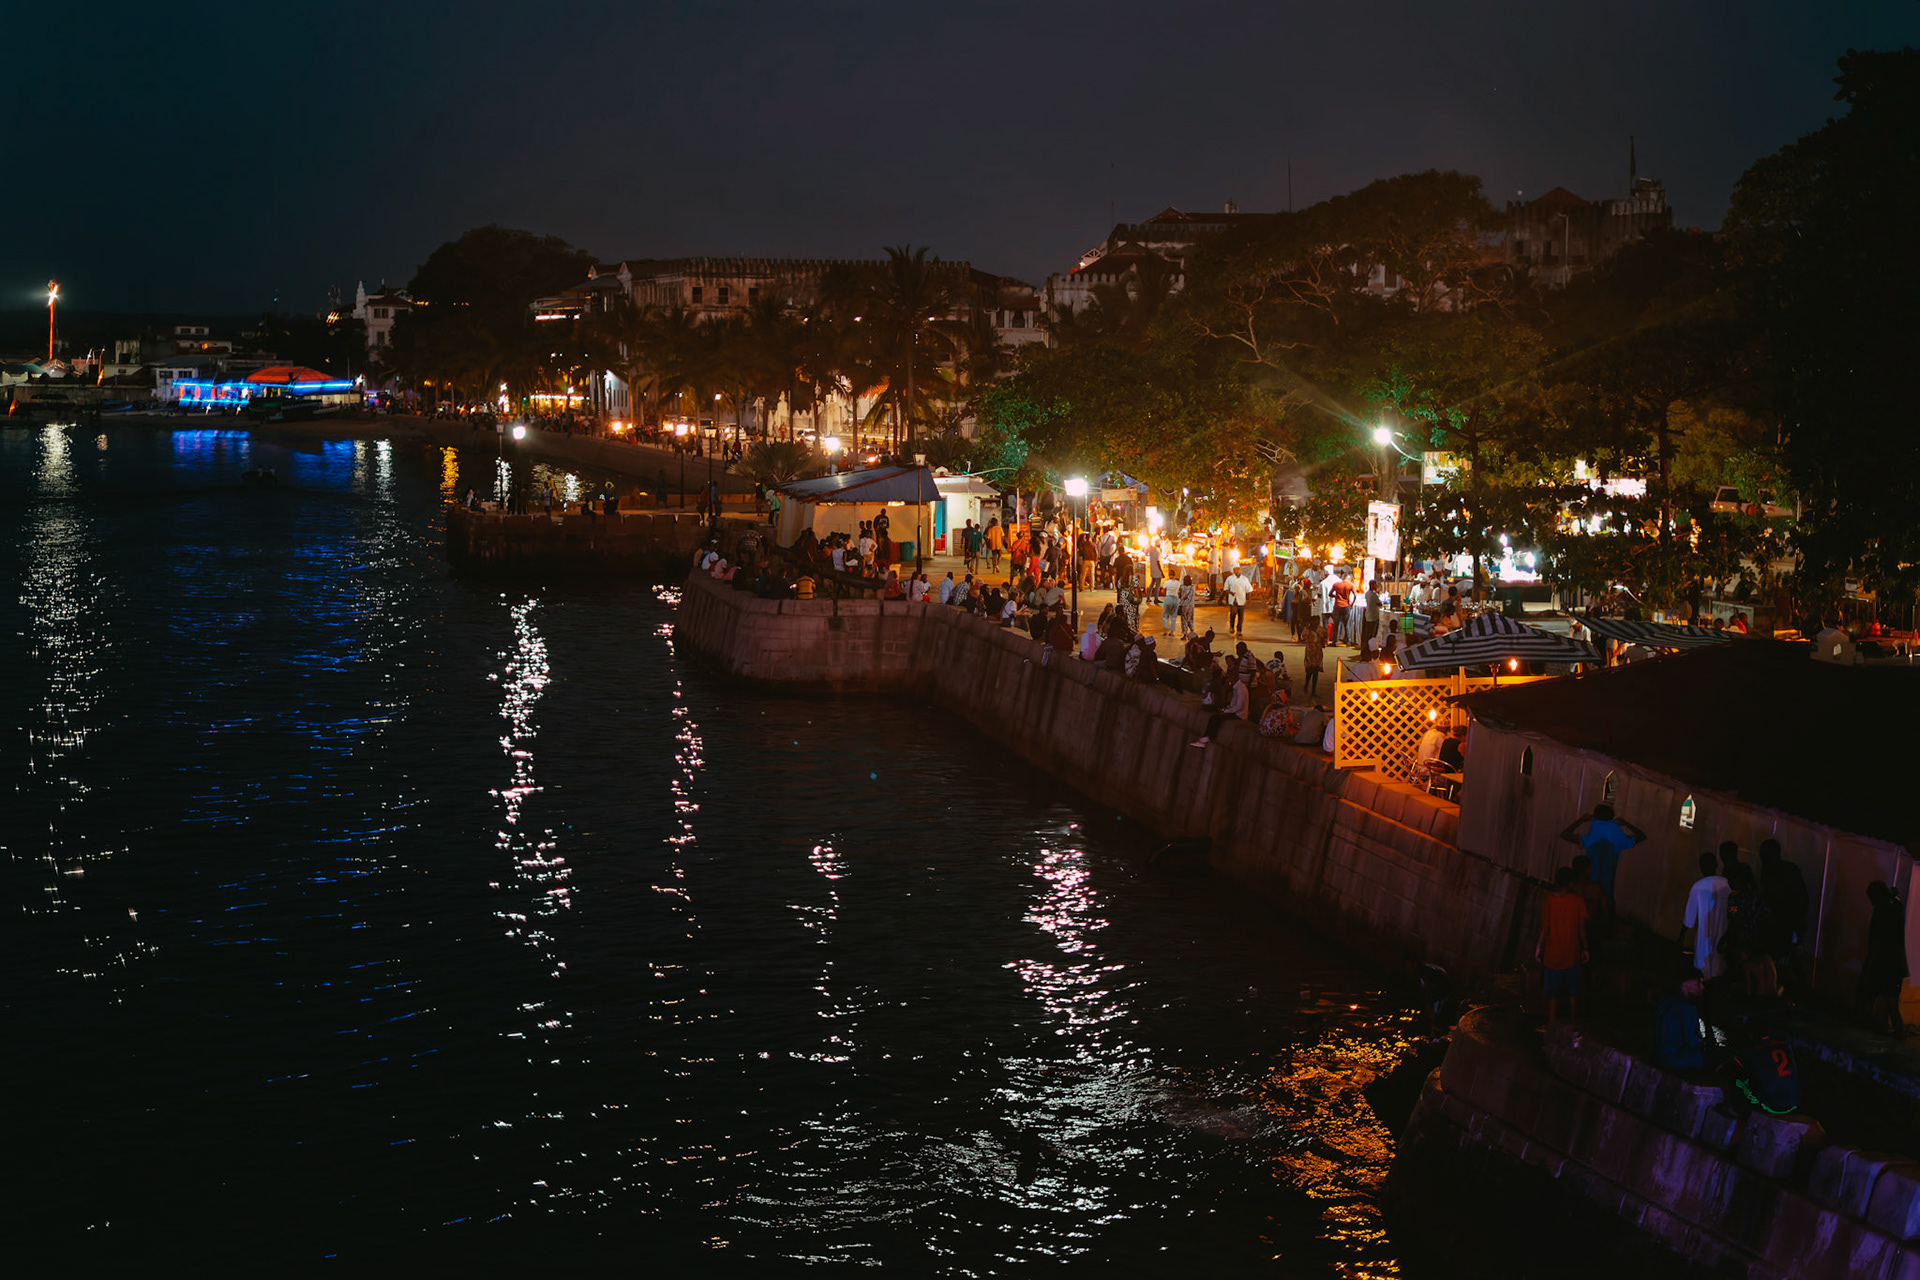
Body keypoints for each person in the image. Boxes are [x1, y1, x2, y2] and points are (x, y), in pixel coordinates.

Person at [1558, 803, 1646, 911]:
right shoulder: (1617, 840)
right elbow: (1641, 837)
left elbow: (1565, 834)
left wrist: (1582, 820)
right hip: (1606, 893)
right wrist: (1625, 823)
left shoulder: (1590, 839)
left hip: (1588, 892)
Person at [1538, 866, 1590, 1023]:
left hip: (1552, 955)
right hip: (1572, 954)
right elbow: (1582, 928)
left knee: (1552, 994)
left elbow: (1545, 928)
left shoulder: (1549, 899)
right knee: (1573, 992)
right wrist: (1585, 948)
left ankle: (1551, 1024)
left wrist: (1539, 947)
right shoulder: (1577, 901)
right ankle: (1573, 1023)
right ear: (1571, 883)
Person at [1758, 839, 1810, 985]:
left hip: (1783, 926)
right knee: (1787, 961)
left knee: (1786, 961)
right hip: (1782, 926)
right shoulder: (1787, 870)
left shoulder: (1772, 872)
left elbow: (1799, 901)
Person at [1861, 881, 1909, 1035]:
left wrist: (1870, 963)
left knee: (1870, 996)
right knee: (1891, 1002)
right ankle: (1898, 1032)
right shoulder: (1895, 909)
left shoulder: (1882, 911)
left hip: (1882, 964)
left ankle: (1868, 1027)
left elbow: (1876, 940)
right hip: (1894, 965)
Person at [1682, 853, 1732, 981]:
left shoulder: (1698, 886)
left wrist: (1681, 937)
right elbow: (1733, 908)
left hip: (1704, 938)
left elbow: (1689, 918)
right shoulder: (1727, 884)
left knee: (1704, 974)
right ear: (1716, 865)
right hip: (1724, 935)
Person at [1191, 670, 1249, 747]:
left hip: (1239, 714)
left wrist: (1227, 711)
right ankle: (1205, 737)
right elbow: (1233, 704)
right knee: (1215, 716)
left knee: (1216, 718)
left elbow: (1239, 706)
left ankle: (1208, 738)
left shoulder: (1240, 689)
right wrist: (1226, 709)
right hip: (1235, 711)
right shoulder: (1237, 688)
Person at [1222, 564, 1252, 636]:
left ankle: (1239, 630)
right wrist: (1230, 592)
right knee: (1233, 614)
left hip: (1242, 599)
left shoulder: (1245, 579)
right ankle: (1232, 627)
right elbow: (1225, 589)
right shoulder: (1230, 578)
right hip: (1233, 600)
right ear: (1233, 570)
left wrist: (1249, 600)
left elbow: (1249, 590)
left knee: (1241, 616)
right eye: (1235, 569)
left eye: (1238, 569)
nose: (1237, 571)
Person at [1302, 623, 1325, 697]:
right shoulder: (1307, 629)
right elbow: (1303, 637)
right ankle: (1307, 686)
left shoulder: (1320, 629)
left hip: (1317, 651)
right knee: (1310, 669)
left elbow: (1323, 640)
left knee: (1315, 671)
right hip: (1310, 651)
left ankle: (1312, 689)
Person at [1362, 579, 1383, 656]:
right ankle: (1369, 648)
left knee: (1368, 633)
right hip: (1373, 616)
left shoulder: (1367, 593)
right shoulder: (1373, 595)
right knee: (1372, 634)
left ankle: (1366, 647)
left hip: (1368, 615)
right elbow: (1379, 603)